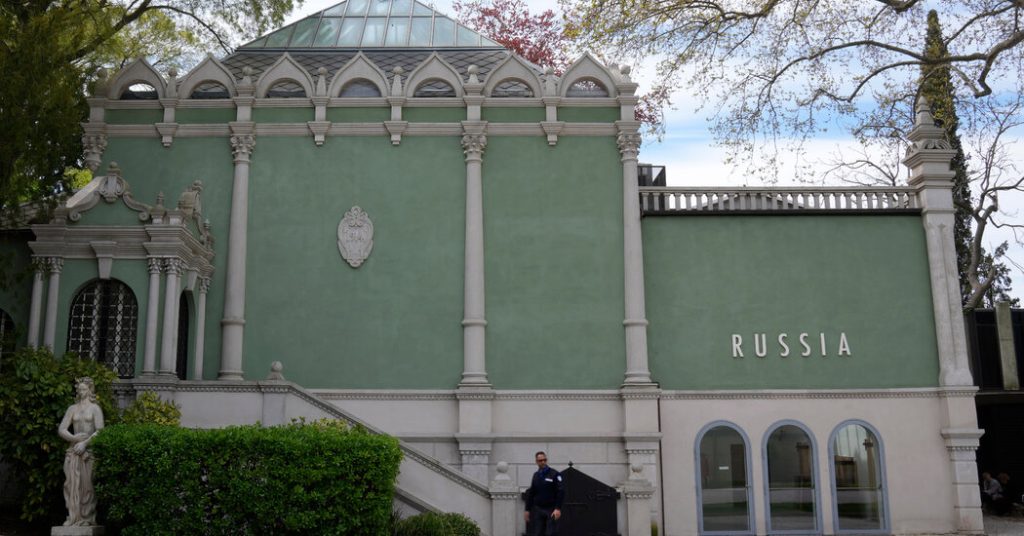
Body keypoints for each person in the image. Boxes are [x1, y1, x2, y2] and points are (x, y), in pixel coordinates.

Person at [57, 377, 105, 527]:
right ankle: (73, 517)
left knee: (88, 486)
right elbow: (62, 429)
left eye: (84, 389)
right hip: (73, 451)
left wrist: (84, 443)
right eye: (79, 389)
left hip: (88, 452)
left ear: (90, 390)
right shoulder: (72, 409)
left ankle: (87, 517)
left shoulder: (95, 409)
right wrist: (74, 438)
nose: (81, 392)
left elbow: (100, 431)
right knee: (71, 485)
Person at [524, 451, 564, 536]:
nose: (543, 462)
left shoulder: (554, 474)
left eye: (544, 460)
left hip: (551, 509)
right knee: (538, 533)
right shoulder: (536, 475)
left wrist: (558, 508)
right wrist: (527, 510)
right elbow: (532, 493)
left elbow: (561, 491)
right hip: (538, 509)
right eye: (540, 460)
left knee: (550, 533)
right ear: (536, 462)